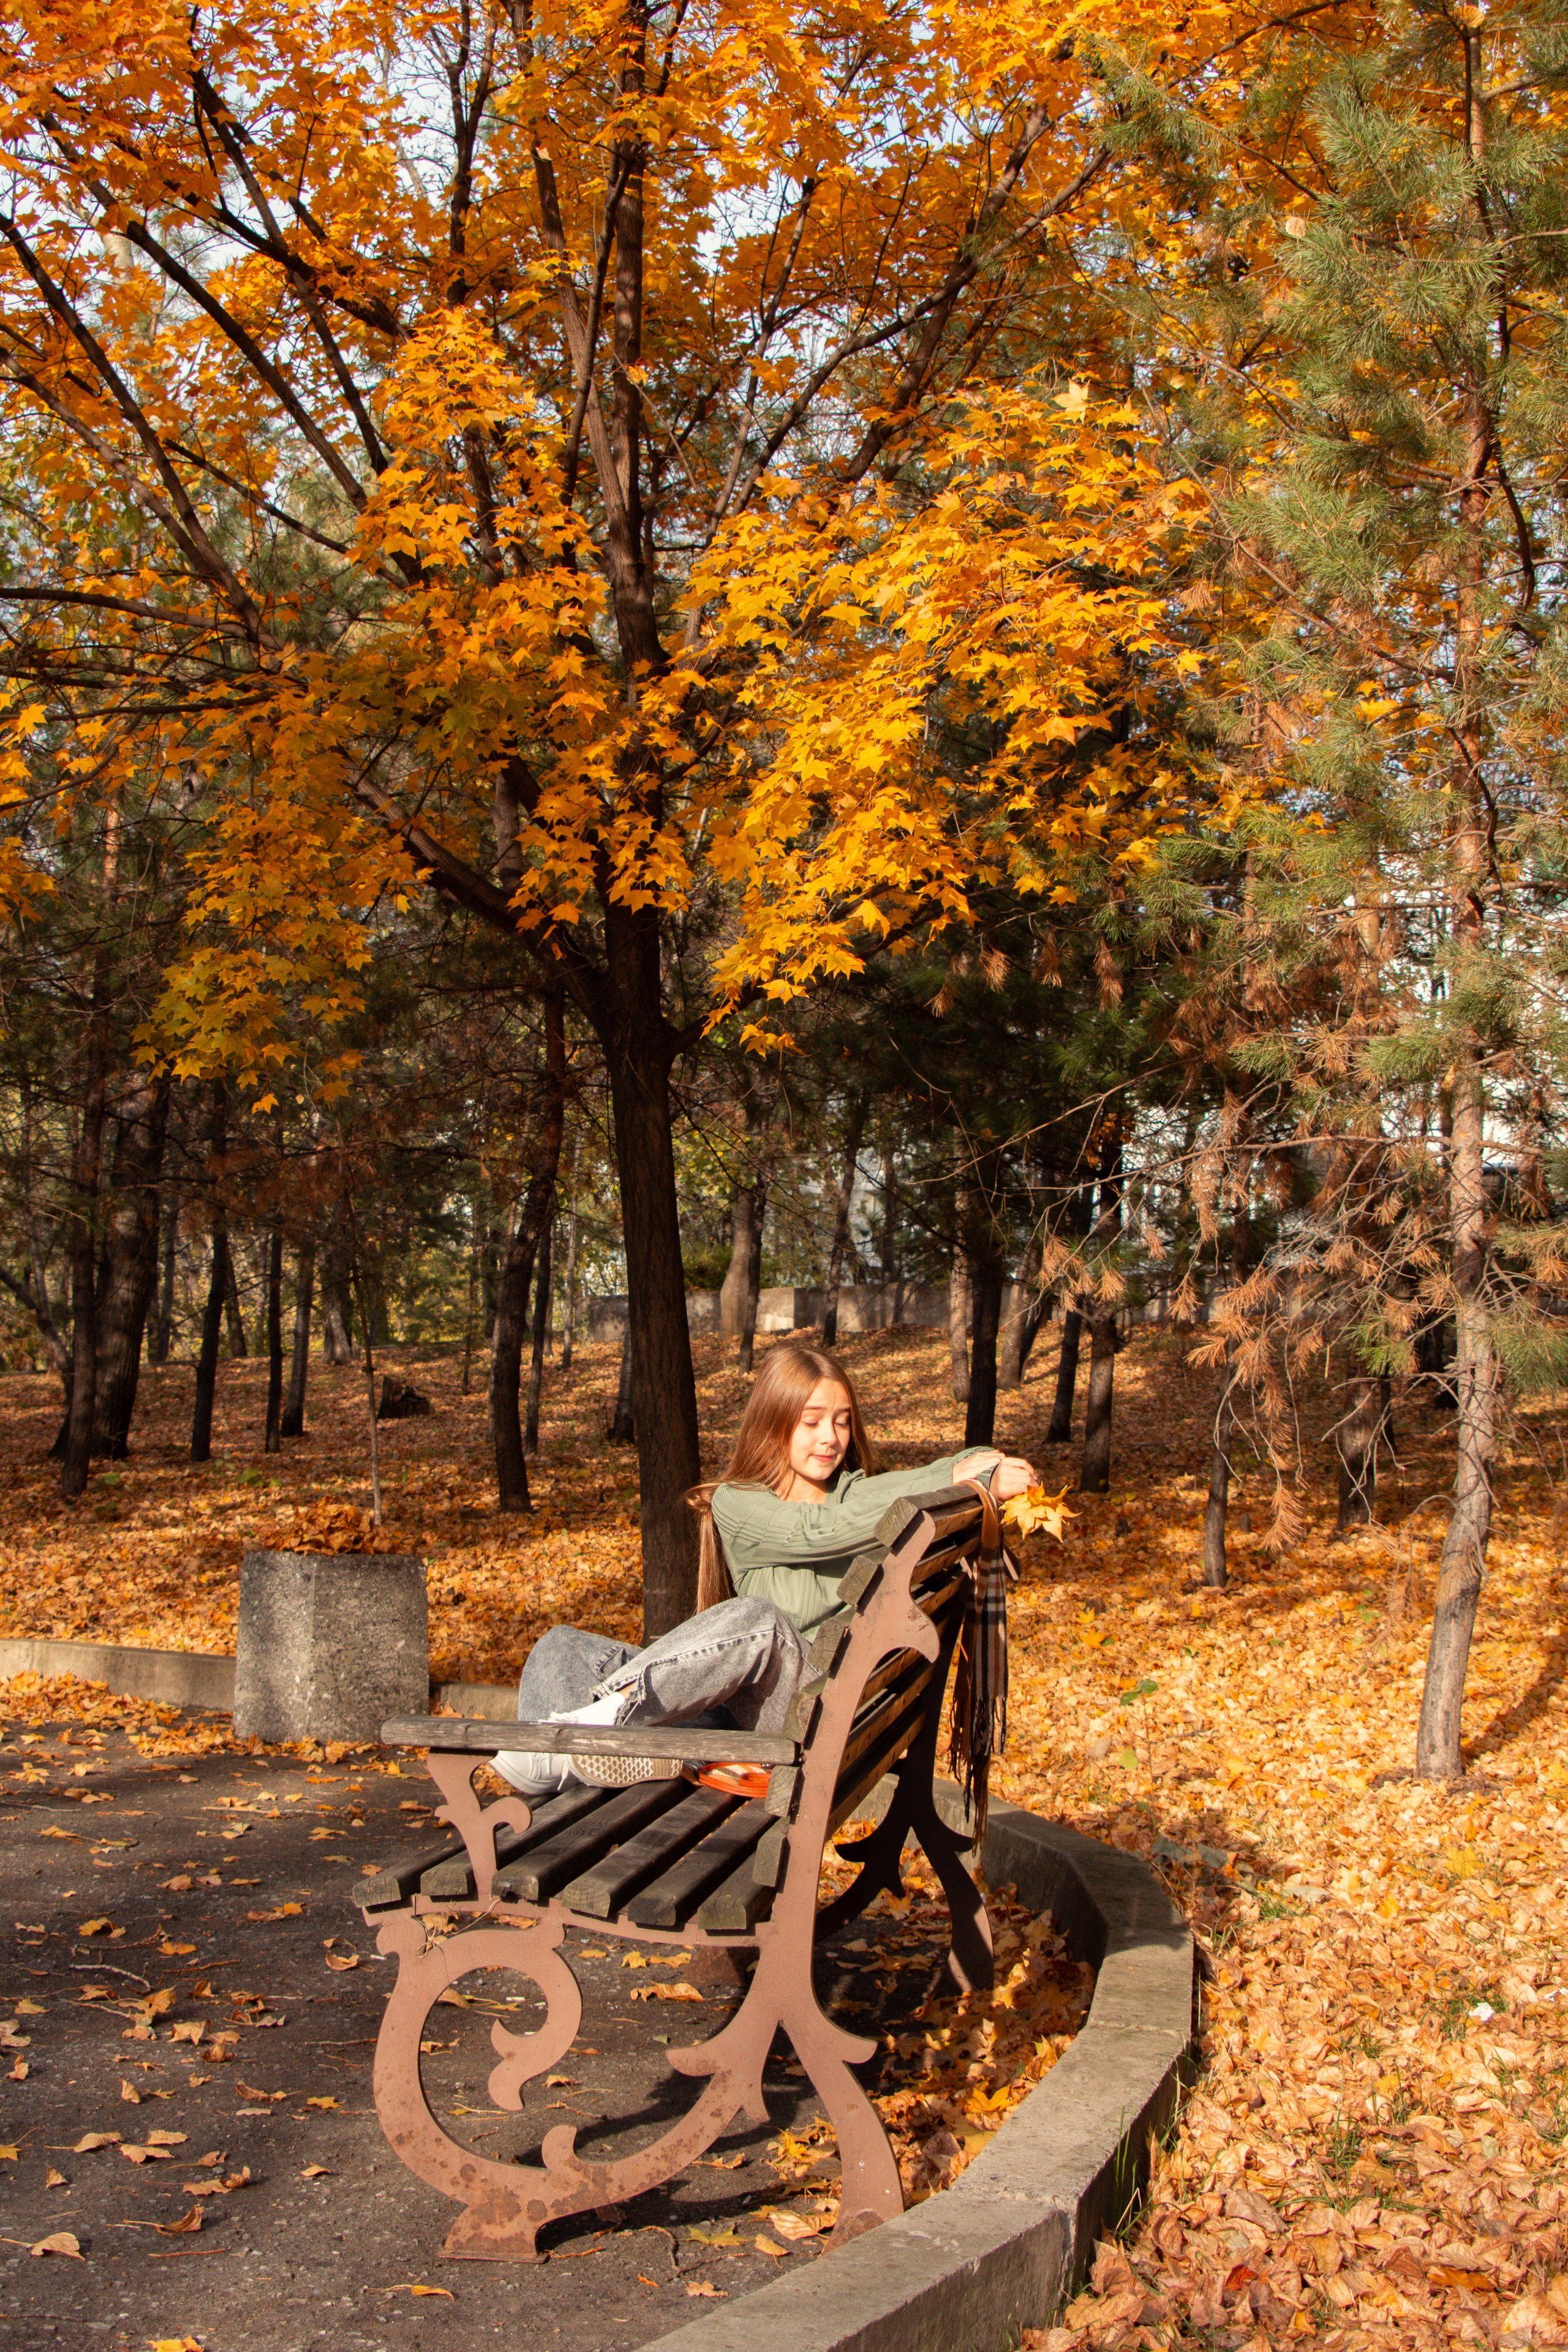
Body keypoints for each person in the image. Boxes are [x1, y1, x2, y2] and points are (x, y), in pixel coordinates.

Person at [494, 1341, 1036, 1800]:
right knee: (559, 1646)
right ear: (773, 1423)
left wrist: (975, 1466)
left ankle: (592, 1735)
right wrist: (961, 1475)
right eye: (813, 1422)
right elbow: (815, 1533)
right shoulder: (739, 1502)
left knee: (761, 1622)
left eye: (843, 1422)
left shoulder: (852, 1495)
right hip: (746, 1714)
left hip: (807, 1718)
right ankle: (572, 1779)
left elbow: (878, 1499)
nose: (832, 1438)